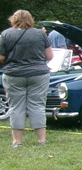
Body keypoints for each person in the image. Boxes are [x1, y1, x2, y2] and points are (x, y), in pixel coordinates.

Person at [0, 10, 53, 147]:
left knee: (16, 107)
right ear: (31, 19)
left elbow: (1, 57)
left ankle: (17, 141)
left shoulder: (6, 34)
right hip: (38, 74)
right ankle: (41, 140)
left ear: (13, 19)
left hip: (14, 75)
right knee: (37, 105)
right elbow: (49, 56)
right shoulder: (40, 34)